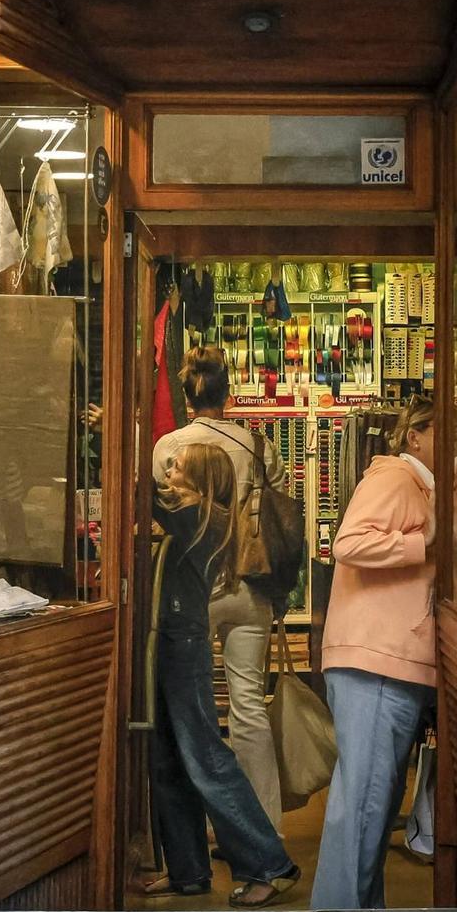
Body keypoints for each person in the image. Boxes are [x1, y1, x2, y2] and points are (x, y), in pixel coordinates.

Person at [141, 443, 300, 908]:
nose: (170, 468)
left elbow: (143, 495)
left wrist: (126, 435)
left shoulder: (202, 516)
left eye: (179, 464)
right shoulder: (202, 516)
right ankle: (189, 870)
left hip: (180, 643)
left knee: (206, 757)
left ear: (203, 478)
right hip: (170, 640)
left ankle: (271, 864)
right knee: (169, 758)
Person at [151, 347, 293, 826]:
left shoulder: (171, 446)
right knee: (249, 707)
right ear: (227, 392)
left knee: (195, 709)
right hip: (249, 585)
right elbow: (278, 506)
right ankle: (265, 825)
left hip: (194, 587)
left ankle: (215, 823)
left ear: (188, 393)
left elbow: (164, 510)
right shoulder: (258, 446)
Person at [310, 396, 438, 911]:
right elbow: (350, 543)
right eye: (442, 430)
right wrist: (423, 544)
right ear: (415, 436)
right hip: (375, 659)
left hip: (382, 657)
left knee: (371, 806)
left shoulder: (416, 484)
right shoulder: (395, 479)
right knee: (363, 804)